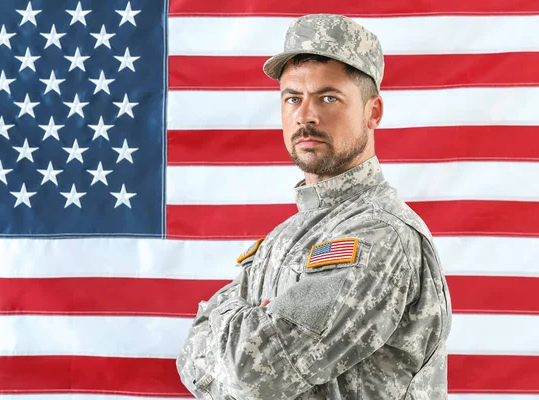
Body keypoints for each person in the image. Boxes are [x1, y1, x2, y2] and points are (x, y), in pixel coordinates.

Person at [176, 13, 452, 400]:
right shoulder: (284, 235)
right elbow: (188, 359)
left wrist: (222, 316)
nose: (305, 116)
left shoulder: (377, 234)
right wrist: (243, 326)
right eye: (293, 98)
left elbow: (253, 376)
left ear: (373, 112)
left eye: (328, 97)